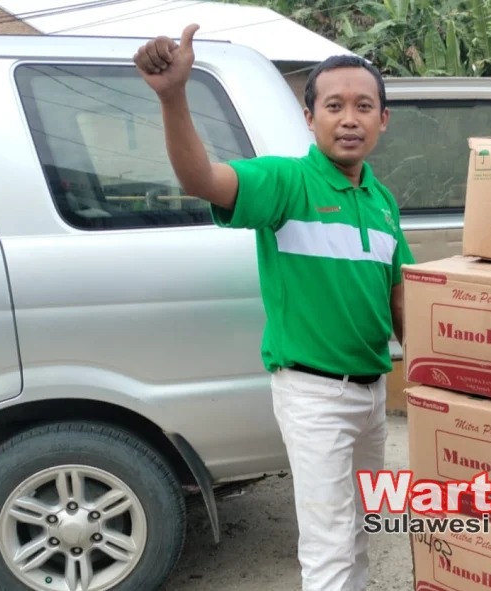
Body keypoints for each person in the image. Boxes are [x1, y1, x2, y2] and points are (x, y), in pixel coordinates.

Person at [133, 24, 415, 591]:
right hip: (315, 395)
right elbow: (201, 179)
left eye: (364, 106)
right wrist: (173, 97)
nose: (350, 119)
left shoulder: (382, 200)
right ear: (309, 118)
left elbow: (399, 294)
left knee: (364, 524)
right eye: (334, 106)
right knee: (330, 543)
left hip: (372, 392)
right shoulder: (286, 182)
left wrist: (439, 379)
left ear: (383, 120)